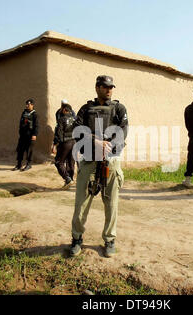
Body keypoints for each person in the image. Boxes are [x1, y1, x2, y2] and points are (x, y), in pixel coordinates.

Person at [70, 75, 128, 258]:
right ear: (97, 87)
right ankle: (77, 238)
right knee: (82, 202)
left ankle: (109, 239)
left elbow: (124, 129)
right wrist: (95, 141)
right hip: (89, 160)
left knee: (111, 202)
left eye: (111, 87)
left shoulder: (118, 108)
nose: (109, 90)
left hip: (110, 160)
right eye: (105, 87)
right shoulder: (86, 109)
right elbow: (76, 131)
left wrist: (108, 143)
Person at [53, 103, 76, 189]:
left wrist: (56, 144)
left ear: (65, 110)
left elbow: (58, 133)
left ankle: (67, 179)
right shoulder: (75, 119)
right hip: (74, 142)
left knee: (59, 162)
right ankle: (70, 181)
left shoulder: (61, 119)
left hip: (65, 143)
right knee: (71, 163)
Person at [12, 99, 38, 172]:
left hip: (30, 135)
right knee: (20, 149)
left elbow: (36, 125)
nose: (27, 105)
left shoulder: (34, 114)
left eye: (28, 104)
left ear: (32, 105)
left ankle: (28, 164)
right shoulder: (24, 112)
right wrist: (20, 132)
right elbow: (21, 123)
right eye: (26, 104)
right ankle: (19, 164)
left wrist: (34, 134)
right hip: (23, 135)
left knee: (29, 150)